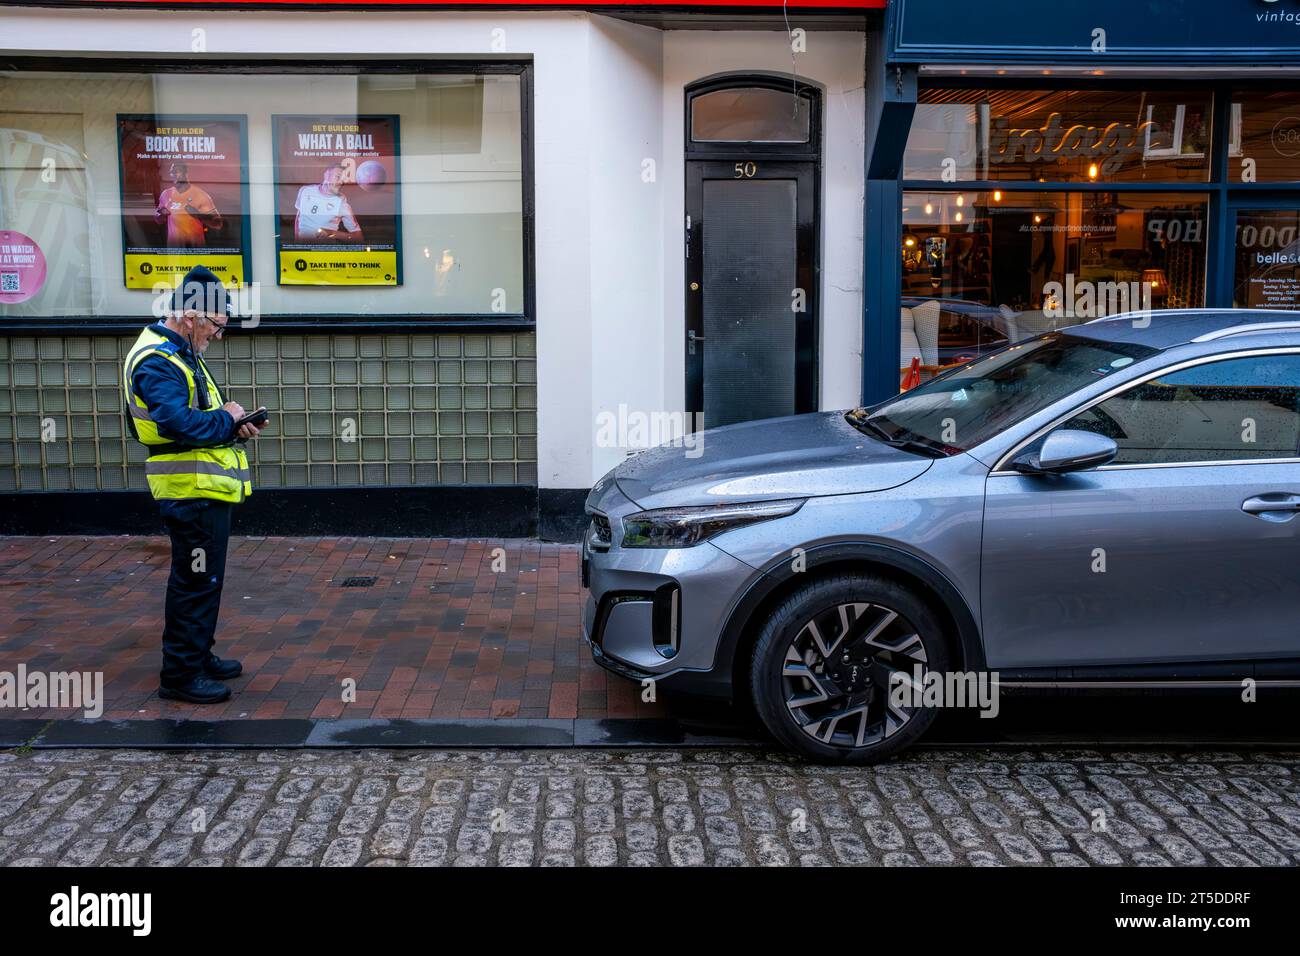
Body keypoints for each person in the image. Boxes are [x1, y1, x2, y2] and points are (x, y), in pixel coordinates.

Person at [123, 265, 264, 704]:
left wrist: (231, 423)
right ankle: (181, 675)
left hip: (203, 488)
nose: (218, 334)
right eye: (215, 324)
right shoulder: (158, 361)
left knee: (204, 578)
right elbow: (178, 422)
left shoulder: (180, 353)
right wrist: (227, 419)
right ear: (189, 316)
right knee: (194, 580)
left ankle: (197, 655)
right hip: (189, 490)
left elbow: (195, 418)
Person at [154, 162, 223, 249]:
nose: (174, 174)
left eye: (177, 171)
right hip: (174, 252)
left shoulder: (200, 195)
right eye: (172, 172)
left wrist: (198, 215)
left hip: (195, 250)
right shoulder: (166, 194)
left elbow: (218, 224)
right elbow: (157, 219)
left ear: (186, 173)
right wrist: (160, 214)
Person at [294, 164, 362, 242]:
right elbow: (298, 218)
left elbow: (358, 237)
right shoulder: (305, 190)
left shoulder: (343, 205)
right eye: (338, 177)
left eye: (343, 179)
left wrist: (332, 233)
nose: (341, 182)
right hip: (302, 250)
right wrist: (296, 242)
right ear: (326, 175)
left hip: (325, 251)